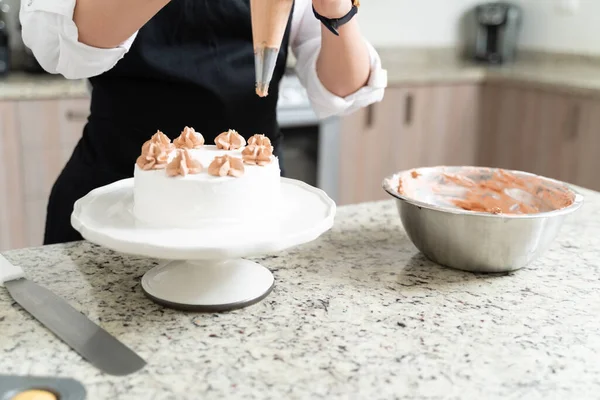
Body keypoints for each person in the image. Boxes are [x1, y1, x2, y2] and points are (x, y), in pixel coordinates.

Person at [20, 0, 388, 245]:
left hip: (250, 210)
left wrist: (336, 9)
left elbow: (343, 91)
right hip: (114, 197)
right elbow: (64, 50)